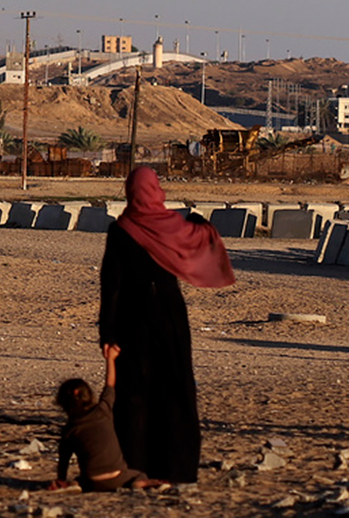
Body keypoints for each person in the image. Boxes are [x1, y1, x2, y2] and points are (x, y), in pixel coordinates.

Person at [99, 166, 235, 484]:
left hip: (131, 320)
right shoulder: (175, 226)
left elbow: (111, 286)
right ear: (156, 191)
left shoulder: (121, 230)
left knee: (133, 393)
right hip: (169, 316)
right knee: (175, 388)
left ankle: (134, 466)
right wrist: (200, 222)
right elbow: (203, 234)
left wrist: (107, 333)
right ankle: (177, 468)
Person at [50, 345, 160, 492]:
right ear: (88, 395)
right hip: (118, 476)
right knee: (139, 474)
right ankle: (141, 483)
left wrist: (61, 479)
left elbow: (63, 460)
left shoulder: (69, 429)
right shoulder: (103, 410)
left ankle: (74, 486)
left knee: (78, 480)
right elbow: (110, 385)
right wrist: (110, 359)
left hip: (91, 482)